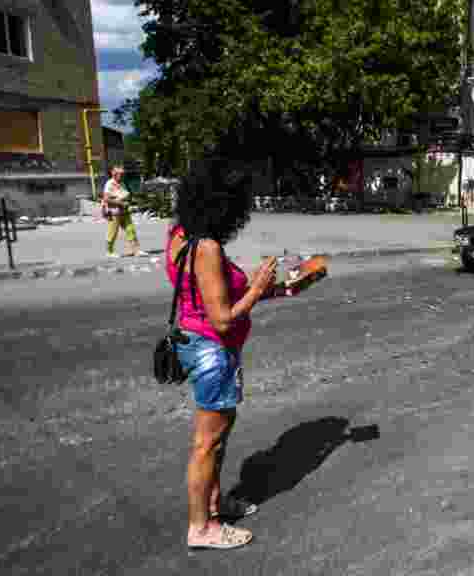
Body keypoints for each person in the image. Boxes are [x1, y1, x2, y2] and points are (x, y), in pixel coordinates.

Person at [166, 157, 282, 550]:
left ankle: (215, 504)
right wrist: (258, 288)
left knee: (218, 437)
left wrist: (257, 289)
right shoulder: (208, 247)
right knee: (208, 444)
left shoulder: (179, 234)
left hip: (192, 340)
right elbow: (222, 320)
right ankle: (202, 527)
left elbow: (199, 292)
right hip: (213, 351)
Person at [101, 165, 148, 258]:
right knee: (112, 232)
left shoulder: (122, 183)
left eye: (123, 174)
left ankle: (136, 250)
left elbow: (125, 195)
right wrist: (121, 203)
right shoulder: (109, 184)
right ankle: (109, 251)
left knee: (131, 230)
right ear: (114, 174)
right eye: (121, 174)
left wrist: (129, 202)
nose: (123, 176)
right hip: (114, 212)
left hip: (124, 211)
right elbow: (106, 199)